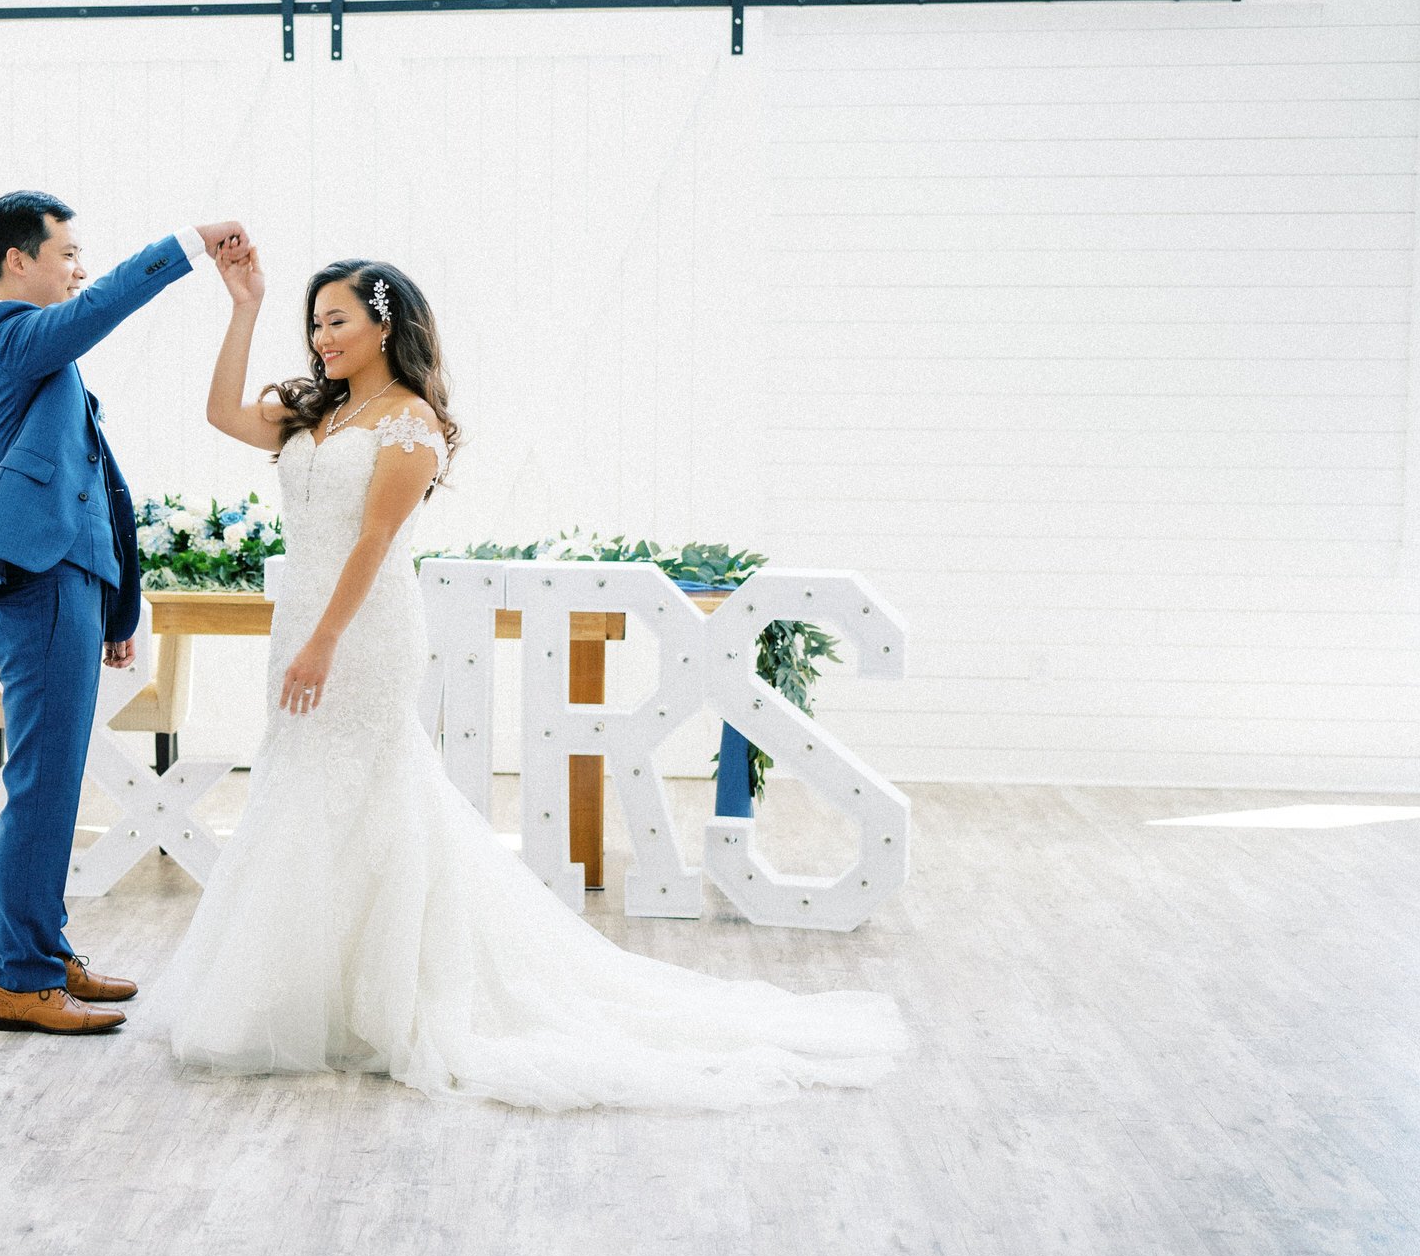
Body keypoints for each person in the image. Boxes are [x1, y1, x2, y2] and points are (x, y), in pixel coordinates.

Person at [142, 251, 907, 1109]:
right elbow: (219, 412)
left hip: (361, 632)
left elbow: (374, 543)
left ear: (384, 325)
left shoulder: (410, 425)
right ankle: (306, 993)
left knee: (370, 790)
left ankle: (394, 995)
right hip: (304, 630)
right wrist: (243, 304)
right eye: (314, 322)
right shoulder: (311, 410)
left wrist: (323, 641)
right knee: (298, 786)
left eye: (338, 321)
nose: (321, 338)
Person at [0, 191, 250, 1036]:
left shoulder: (50, 363)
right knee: (43, 786)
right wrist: (185, 246)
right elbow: (94, 311)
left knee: (52, 785)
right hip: (40, 586)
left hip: (70, 584)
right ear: (19, 261)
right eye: (68, 252)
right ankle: (21, 977)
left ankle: (44, 954)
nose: (80, 268)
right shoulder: (4, 336)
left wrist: (120, 605)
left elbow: (97, 490)